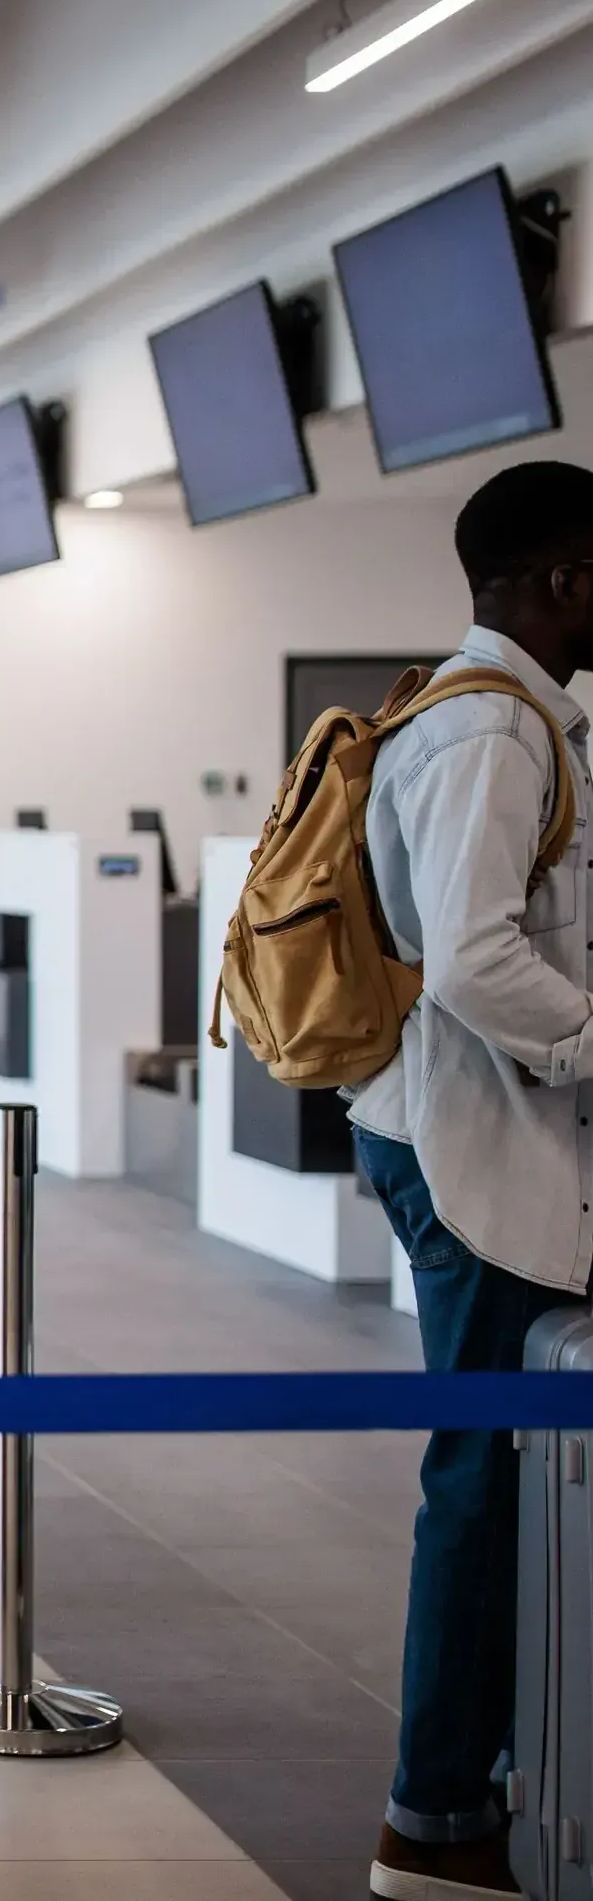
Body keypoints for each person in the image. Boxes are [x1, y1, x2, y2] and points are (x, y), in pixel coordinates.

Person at [349, 459, 593, 1901]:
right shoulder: (492, 728)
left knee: (497, 1475)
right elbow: (476, 953)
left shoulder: (502, 717)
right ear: (563, 578)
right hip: (472, 1147)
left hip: (478, 1132)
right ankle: (434, 1820)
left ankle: (475, 1788)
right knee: (484, 1483)